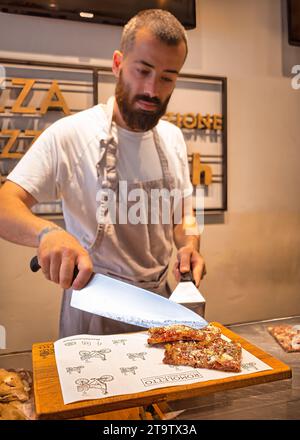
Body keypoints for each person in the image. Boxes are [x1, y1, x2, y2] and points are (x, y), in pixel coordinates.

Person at [0, 9, 206, 336]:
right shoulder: (71, 134)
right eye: (143, 70)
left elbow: (183, 214)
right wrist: (47, 234)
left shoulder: (172, 138)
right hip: (94, 309)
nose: (153, 89)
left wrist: (189, 244)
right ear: (117, 64)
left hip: (161, 302)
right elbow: (5, 204)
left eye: (167, 77)